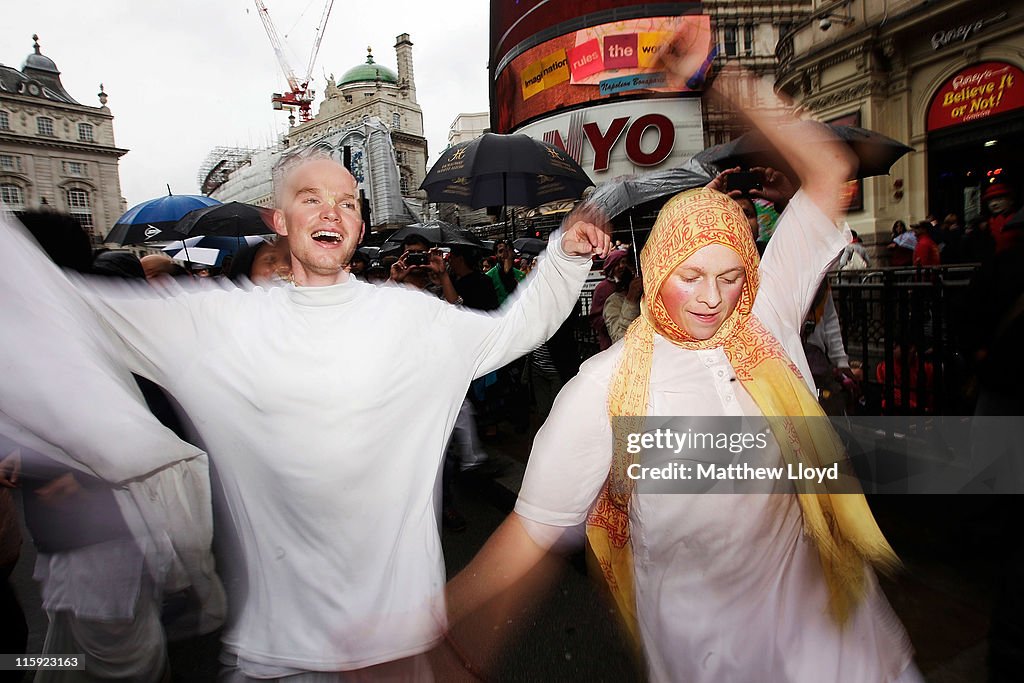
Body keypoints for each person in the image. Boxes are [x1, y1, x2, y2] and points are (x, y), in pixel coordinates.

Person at [1, 147, 610, 680]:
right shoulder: (213, 323)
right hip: (276, 655)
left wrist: (564, 255)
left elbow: (518, 328)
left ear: (360, 222)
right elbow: (64, 310)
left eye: (346, 202)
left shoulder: (412, 320)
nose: (330, 212)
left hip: (395, 645)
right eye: (311, 198)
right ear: (279, 219)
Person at [446, 64, 919, 683]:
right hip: (707, 660)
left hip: (837, 646)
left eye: (729, 277)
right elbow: (530, 535)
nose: (711, 299)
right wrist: (434, 628)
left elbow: (828, 168)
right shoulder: (604, 388)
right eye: (689, 276)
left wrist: (717, 74)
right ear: (657, 268)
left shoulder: (766, 320)